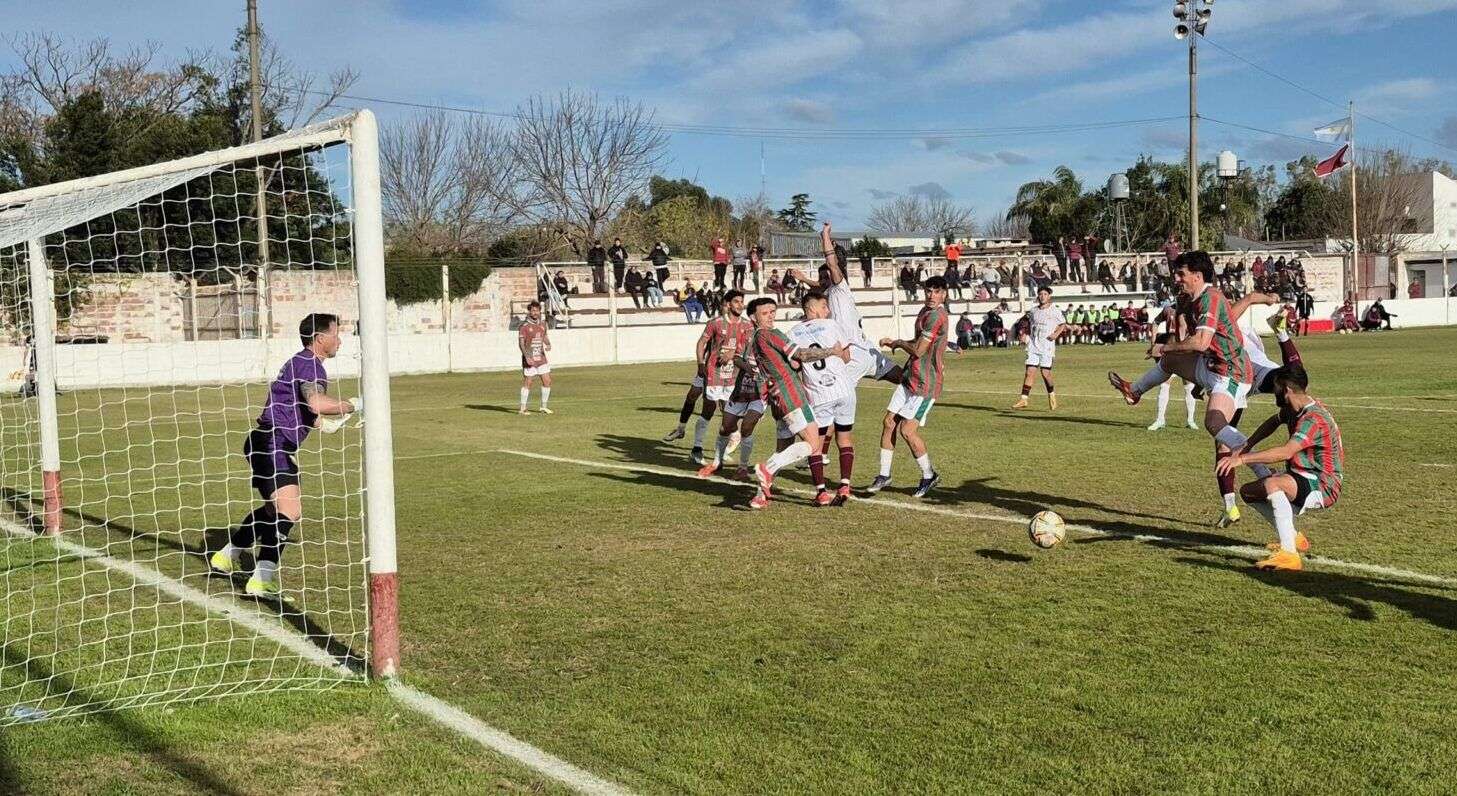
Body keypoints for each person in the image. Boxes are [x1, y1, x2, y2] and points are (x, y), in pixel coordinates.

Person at [211, 313, 357, 598]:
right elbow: (315, 402)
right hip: (273, 444)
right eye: (335, 333)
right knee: (289, 510)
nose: (339, 339)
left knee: (271, 511)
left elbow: (302, 409)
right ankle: (261, 579)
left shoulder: (299, 362)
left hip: (264, 441)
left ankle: (227, 556)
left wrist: (325, 426)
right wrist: (352, 405)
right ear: (320, 338)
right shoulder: (310, 365)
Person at [1108, 251, 1253, 527]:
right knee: (1172, 362)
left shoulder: (1211, 298)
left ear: (1197, 276)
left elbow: (1199, 342)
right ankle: (1134, 390)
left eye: (1181, 274)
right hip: (1211, 369)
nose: (1176, 279)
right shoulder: (1190, 299)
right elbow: (1188, 337)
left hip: (1232, 375)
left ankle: (1260, 464)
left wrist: (1164, 345)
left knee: (1216, 427)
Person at [1216, 364, 1343, 571]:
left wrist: (1241, 459)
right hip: (1302, 476)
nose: (1272, 391)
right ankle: (1293, 538)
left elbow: (1285, 452)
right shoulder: (1294, 407)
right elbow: (1273, 422)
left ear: (1286, 389)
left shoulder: (1313, 419)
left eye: (1274, 387)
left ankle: (1289, 555)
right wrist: (1245, 445)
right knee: (1249, 492)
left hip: (1323, 484)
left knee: (1272, 484)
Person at [745, 297, 848, 510]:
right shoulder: (770, 334)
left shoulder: (754, 338)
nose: (771, 316)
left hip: (777, 400)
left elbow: (780, 362)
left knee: (783, 448)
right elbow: (801, 353)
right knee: (812, 444)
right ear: (753, 317)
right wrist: (831, 350)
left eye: (773, 311)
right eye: (765, 313)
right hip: (791, 396)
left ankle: (760, 495)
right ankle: (766, 469)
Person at [867, 276, 950, 499]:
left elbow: (919, 351)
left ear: (944, 294)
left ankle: (928, 474)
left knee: (906, 430)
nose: (931, 295)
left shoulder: (936, 316)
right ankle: (884, 475)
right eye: (928, 291)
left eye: (936, 291)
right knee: (888, 422)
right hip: (909, 378)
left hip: (926, 385)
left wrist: (896, 343)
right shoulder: (925, 311)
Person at [786, 289, 857, 506]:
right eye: (824, 306)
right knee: (844, 439)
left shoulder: (792, 333)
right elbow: (846, 357)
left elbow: (795, 365)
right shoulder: (833, 325)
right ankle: (845, 484)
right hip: (844, 391)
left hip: (818, 394)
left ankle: (821, 492)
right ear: (812, 309)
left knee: (814, 443)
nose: (828, 310)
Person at [688, 290, 749, 465]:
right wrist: (700, 363)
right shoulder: (715, 323)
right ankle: (697, 449)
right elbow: (702, 342)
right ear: (728, 304)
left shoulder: (747, 325)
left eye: (741, 302)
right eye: (736, 302)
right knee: (708, 409)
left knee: (730, 415)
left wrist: (734, 353)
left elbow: (750, 347)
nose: (740, 305)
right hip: (714, 373)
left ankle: (723, 450)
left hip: (734, 375)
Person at [1011, 286, 1070, 410]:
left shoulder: (1055, 311)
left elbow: (1062, 324)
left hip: (1047, 346)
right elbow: (1024, 323)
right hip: (1033, 345)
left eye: (1045, 294)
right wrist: (1023, 333)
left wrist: (1056, 334)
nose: (1042, 296)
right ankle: (1024, 399)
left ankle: (1052, 395)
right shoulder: (1033, 311)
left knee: (1045, 373)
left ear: (1049, 296)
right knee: (1029, 372)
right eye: (1040, 294)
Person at [1146, 300, 1198, 432]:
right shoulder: (1168, 310)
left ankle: (1190, 420)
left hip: (1186, 353)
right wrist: (1153, 343)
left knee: (1189, 386)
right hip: (1170, 352)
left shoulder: (1192, 310)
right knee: (1164, 384)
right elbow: (1155, 322)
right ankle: (1160, 419)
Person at [516, 301, 553, 414]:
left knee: (547, 381)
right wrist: (526, 356)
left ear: (539, 311)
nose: (535, 312)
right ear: (529, 311)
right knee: (529, 382)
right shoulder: (524, 326)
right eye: (532, 310)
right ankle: (522, 408)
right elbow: (521, 343)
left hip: (541, 357)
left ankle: (543, 406)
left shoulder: (543, 324)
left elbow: (544, 336)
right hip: (530, 357)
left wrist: (548, 344)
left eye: (537, 310)